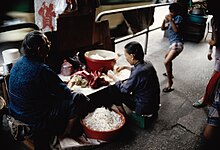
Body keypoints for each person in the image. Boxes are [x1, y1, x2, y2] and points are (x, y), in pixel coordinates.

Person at [7, 30, 90, 149]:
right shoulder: (41, 69)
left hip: (16, 112)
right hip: (34, 119)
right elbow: (66, 93)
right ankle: (66, 134)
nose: (49, 44)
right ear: (40, 50)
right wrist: (70, 83)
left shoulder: (18, 63)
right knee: (78, 98)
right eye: (47, 43)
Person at [106, 41, 160, 118]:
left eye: (126, 56)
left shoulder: (137, 72)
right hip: (153, 105)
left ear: (132, 56)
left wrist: (113, 77)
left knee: (113, 89)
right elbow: (139, 69)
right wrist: (125, 67)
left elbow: (124, 90)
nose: (126, 58)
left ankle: (124, 116)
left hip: (143, 107)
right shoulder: (148, 63)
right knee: (124, 85)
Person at [161, 2, 184, 92]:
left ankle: (170, 83)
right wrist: (164, 20)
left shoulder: (178, 18)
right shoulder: (172, 19)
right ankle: (169, 74)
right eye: (170, 11)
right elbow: (163, 28)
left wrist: (171, 20)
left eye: (172, 12)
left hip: (178, 44)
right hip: (173, 44)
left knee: (166, 61)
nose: (171, 13)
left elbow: (176, 30)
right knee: (167, 58)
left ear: (177, 12)